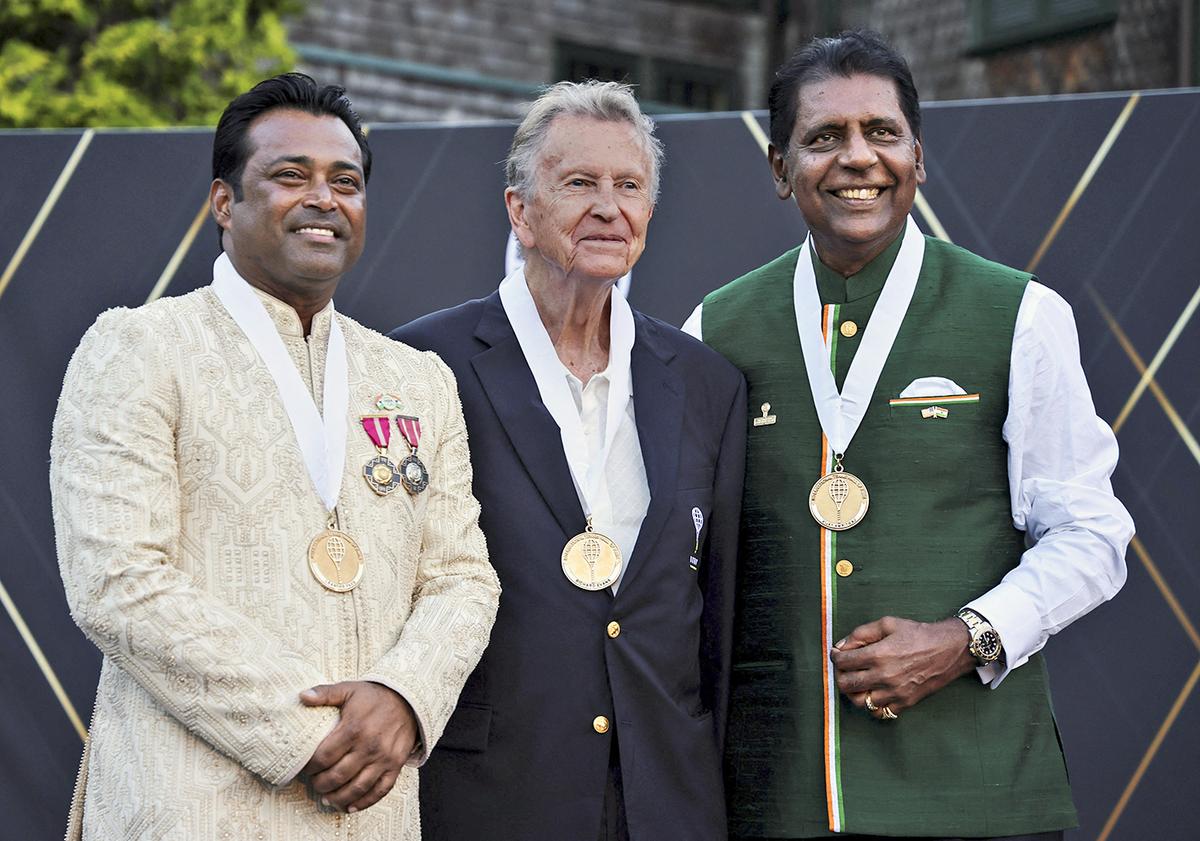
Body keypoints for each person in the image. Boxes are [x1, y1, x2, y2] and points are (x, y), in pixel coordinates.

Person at [682, 30, 1134, 841]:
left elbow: (1092, 535)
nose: (858, 157)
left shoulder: (1021, 313)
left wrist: (967, 637)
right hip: (777, 798)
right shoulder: (715, 327)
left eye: (881, 133)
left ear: (918, 157)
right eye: (824, 137)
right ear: (782, 170)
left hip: (978, 795)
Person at [50, 73, 499, 840]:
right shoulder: (138, 348)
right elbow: (118, 581)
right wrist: (307, 731)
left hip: (371, 810)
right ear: (225, 202)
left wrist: (402, 696)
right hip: (190, 805)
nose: (324, 198)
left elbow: (462, 575)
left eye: (346, 182)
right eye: (290, 176)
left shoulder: (416, 379)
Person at [392, 80, 746, 841]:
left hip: (664, 802)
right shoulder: (423, 363)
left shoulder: (705, 381)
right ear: (520, 210)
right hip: (490, 797)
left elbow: (715, 615)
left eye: (629, 186)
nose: (609, 206)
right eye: (579, 183)